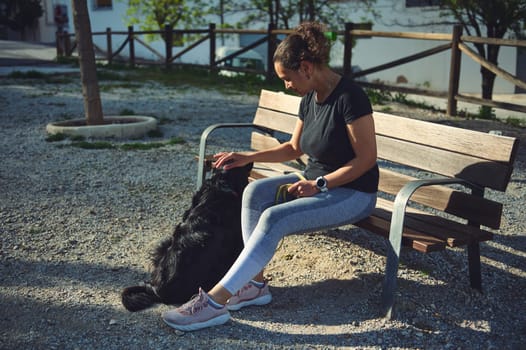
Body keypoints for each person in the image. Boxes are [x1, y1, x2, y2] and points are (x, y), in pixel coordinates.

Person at [162, 21, 379, 332]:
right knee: (255, 193)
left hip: (353, 193)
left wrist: (320, 184)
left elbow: (366, 160)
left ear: (305, 67)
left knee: (274, 218)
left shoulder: (351, 97)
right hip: (317, 185)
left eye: (286, 78)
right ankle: (255, 284)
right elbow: (293, 147)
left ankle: (213, 303)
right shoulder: (309, 99)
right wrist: (247, 157)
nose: (285, 85)